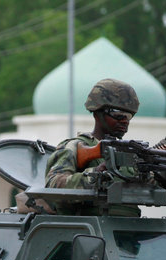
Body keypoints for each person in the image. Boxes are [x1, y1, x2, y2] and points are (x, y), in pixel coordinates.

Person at [45, 78, 153, 216]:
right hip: (86, 231)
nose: (125, 121)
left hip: (129, 230)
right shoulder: (74, 147)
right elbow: (53, 187)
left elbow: (150, 188)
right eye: (118, 115)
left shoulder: (131, 152)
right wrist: (95, 175)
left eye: (128, 116)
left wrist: (162, 176)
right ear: (97, 114)